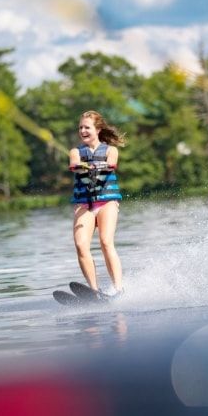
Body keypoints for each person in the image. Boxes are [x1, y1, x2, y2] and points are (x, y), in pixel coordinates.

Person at [69, 110, 125, 298]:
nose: (83, 130)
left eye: (87, 127)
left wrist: (98, 166)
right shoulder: (76, 152)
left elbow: (111, 164)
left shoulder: (111, 150)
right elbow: (74, 164)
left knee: (105, 241)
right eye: (80, 127)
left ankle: (118, 289)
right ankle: (94, 291)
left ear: (98, 129)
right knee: (80, 244)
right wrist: (83, 166)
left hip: (107, 202)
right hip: (85, 204)